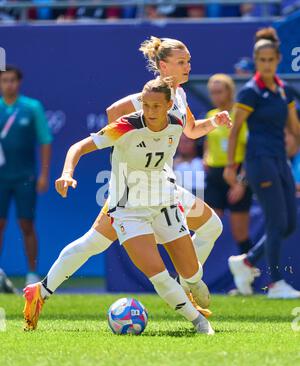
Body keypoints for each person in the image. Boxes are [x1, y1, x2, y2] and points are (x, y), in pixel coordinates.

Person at [23, 37, 231, 324]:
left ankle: (187, 281)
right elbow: (113, 117)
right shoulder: (146, 100)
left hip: (162, 186)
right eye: (181, 62)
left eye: (188, 61)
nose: (188, 66)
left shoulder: (178, 95)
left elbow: (192, 130)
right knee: (94, 243)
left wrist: (215, 122)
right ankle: (41, 291)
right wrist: (128, 150)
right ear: (163, 65)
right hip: (131, 191)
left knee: (211, 226)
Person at [224, 28, 300, 298]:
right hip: (258, 161)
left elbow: (295, 130)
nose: (266, 64)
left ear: (278, 59)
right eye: (261, 60)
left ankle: (246, 262)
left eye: (271, 60)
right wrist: (231, 166)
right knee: (276, 221)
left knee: (289, 223)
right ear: (256, 61)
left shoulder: (284, 91)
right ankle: (276, 283)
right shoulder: (250, 92)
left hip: (281, 161)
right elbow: (234, 131)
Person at [0, 65, 52, 286]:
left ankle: (32, 274)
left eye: (12, 80)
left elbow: (45, 140)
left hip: (25, 177)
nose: (8, 84)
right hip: (1, 178)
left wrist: (44, 174)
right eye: (4, 80)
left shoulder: (32, 107)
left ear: (18, 82)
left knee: (27, 224)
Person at [204, 74, 254, 257]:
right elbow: (209, 141)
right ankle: (192, 279)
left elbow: (250, 150)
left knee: (240, 234)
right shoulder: (211, 115)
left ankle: (249, 279)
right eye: (212, 93)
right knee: (206, 231)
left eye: (219, 91)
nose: (215, 96)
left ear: (230, 91)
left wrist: (241, 182)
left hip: (238, 174)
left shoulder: (239, 116)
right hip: (215, 177)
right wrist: (206, 157)